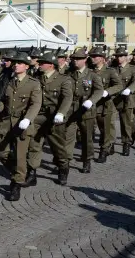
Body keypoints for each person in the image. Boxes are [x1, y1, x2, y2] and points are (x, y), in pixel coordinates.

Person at [0, 52, 41, 201]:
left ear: (26, 66)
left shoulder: (33, 83)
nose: (16, 65)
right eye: (15, 63)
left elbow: (36, 103)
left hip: (22, 123)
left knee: (19, 155)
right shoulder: (8, 81)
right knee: (1, 152)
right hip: (6, 122)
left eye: (19, 63)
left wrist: (28, 119)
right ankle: (21, 172)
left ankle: (16, 184)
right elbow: (3, 100)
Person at [28, 51, 74, 186]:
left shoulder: (63, 79)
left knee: (58, 146)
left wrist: (61, 113)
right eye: (39, 62)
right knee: (34, 144)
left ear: (51, 65)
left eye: (42, 63)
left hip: (54, 117)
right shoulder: (36, 77)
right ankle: (32, 172)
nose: (39, 64)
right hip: (39, 116)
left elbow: (67, 98)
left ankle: (63, 168)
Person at [66, 47, 104, 175]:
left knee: (87, 138)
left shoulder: (92, 75)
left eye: (78, 59)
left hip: (86, 111)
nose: (75, 61)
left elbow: (99, 90)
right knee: (68, 137)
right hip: (71, 110)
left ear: (85, 60)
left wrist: (91, 101)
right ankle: (65, 162)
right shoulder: (69, 74)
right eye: (74, 59)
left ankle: (87, 160)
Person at [90, 45, 121, 163]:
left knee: (106, 129)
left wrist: (107, 92)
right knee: (100, 129)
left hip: (105, 105)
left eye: (96, 56)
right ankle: (108, 145)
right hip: (92, 105)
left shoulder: (110, 71)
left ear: (103, 58)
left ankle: (104, 150)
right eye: (92, 56)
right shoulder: (90, 72)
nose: (93, 58)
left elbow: (119, 85)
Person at [112, 46, 135, 157]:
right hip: (114, 99)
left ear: (126, 57)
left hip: (127, 100)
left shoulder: (133, 69)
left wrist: (129, 89)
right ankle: (110, 143)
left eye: (121, 56)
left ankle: (126, 143)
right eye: (117, 56)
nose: (119, 58)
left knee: (126, 123)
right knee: (110, 123)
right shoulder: (112, 69)